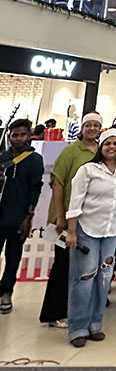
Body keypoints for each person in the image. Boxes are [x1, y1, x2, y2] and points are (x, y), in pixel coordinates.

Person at [65, 128, 116, 347]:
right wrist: (71, 231)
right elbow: (75, 203)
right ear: (101, 146)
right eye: (107, 143)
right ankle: (78, 327)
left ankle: (95, 323)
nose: (111, 147)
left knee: (104, 278)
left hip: (111, 231)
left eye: (115, 143)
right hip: (87, 229)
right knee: (84, 278)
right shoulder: (88, 170)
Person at [39, 111, 102, 327]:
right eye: (88, 125)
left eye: (96, 125)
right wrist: (60, 216)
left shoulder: (100, 150)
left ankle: (76, 309)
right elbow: (58, 183)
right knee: (63, 265)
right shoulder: (71, 151)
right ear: (82, 128)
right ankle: (55, 312)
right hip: (66, 216)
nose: (92, 129)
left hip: (87, 219)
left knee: (81, 266)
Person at [0, 119, 44, 315]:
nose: (18, 139)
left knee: (13, 257)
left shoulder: (34, 159)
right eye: (14, 135)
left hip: (19, 217)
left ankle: (6, 292)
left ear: (28, 136)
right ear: (9, 137)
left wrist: (29, 216)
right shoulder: (2, 156)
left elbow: (35, 188)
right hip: (0, 214)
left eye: (22, 134)